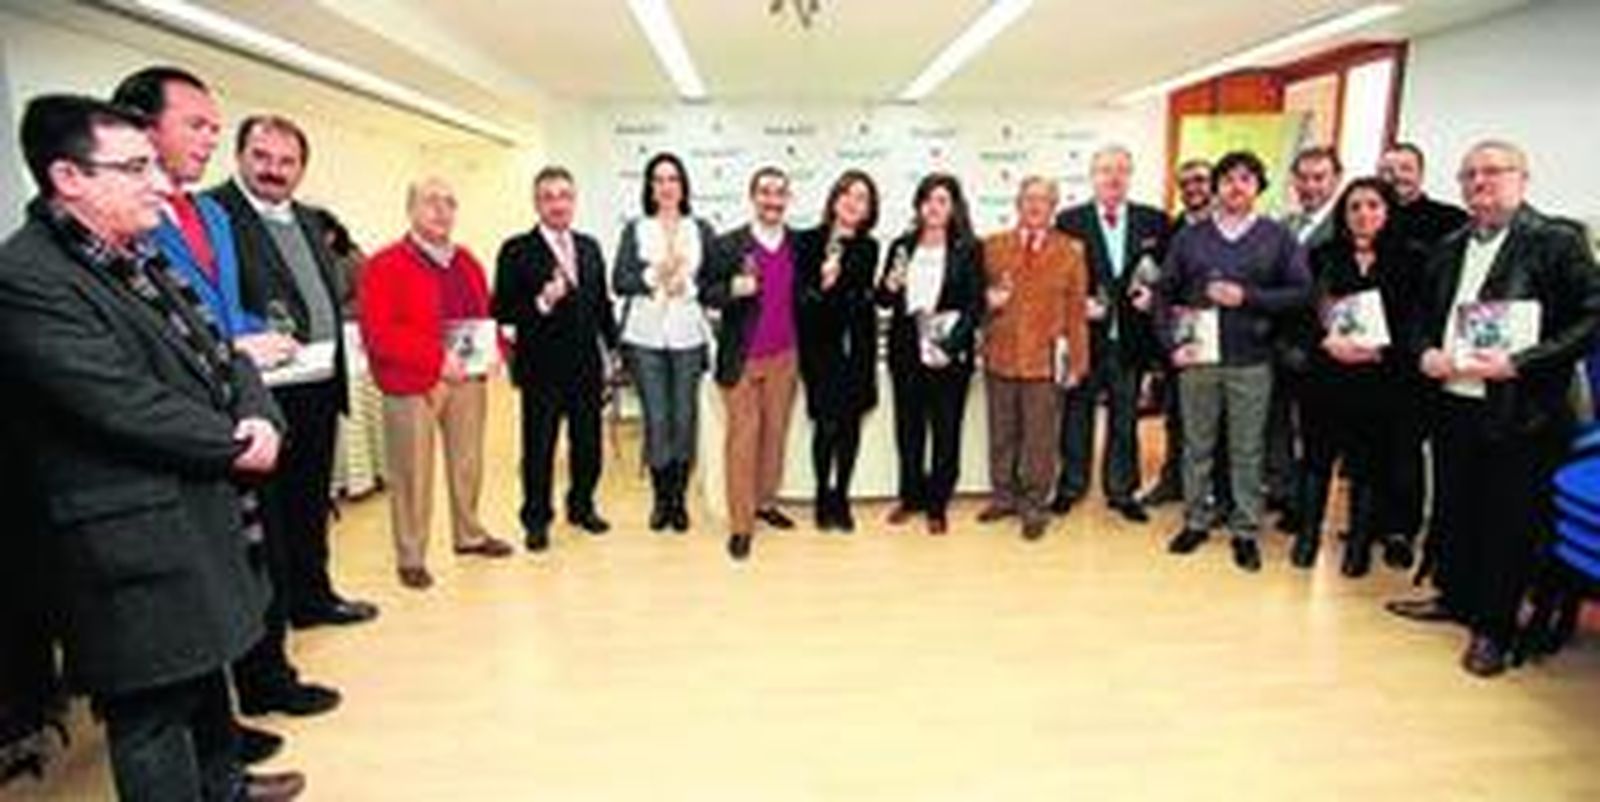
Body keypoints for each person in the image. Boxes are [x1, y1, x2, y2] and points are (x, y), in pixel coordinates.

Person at [0, 93, 304, 802]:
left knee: (202, 673)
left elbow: (221, 351)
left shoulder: (132, 254)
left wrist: (261, 417)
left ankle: (224, 783)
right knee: (153, 709)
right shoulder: (28, 279)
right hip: (122, 533)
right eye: (134, 167)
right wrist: (234, 442)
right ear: (68, 177)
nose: (155, 181)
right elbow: (117, 402)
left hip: (190, 505)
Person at [112, 64, 294, 770]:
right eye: (199, 124)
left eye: (216, 126)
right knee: (202, 591)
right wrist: (231, 351)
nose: (211, 138)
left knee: (246, 567)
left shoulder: (207, 213)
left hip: (237, 412)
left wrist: (248, 344)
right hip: (182, 439)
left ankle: (248, 702)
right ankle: (223, 735)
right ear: (143, 129)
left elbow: (218, 307)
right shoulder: (113, 237)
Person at [1387, 140, 1600, 677]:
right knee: (1456, 508)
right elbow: (1420, 317)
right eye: (1469, 175)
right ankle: (1454, 597)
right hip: (1455, 402)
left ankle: (1493, 629)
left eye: (1492, 172)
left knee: (1508, 521)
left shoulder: (1557, 241)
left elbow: (1591, 319)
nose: (1479, 183)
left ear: (1522, 178)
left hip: (1522, 408)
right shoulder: (1450, 245)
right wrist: (1424, 353)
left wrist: (1523, 363)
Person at [208, 115, 382, 718]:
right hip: (262, 395)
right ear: (240, 155)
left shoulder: (310, 220)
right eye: (262, 156)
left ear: (301, 167)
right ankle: (268, 640)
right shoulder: (216, 217)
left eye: (286, 160)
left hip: (316, 385)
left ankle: (314, 596)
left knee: (310, 504)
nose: (273, 168)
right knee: (268, 525)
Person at [1159, 151, 1311, 573]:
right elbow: (1163, 292)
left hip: (1251, 360)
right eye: (1227, 179)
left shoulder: (1278, 237)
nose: (1235, 186)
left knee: (1247, 450)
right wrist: (1171, 343)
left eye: (1245, 179)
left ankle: (1245, 529)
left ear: (1258, 187)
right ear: (1216, 187)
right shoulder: (1191, 237)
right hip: (1198, 359)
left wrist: (1249, 297)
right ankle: (1195, 520)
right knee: (1197, 447)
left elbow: (1301, 293)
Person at [358, 177, 512, 590]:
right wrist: (435, 359)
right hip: (412, 382)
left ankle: (469, 533)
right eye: (431, 202)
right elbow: (379, 332)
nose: (442, 211)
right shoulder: (384, 264)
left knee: (468, 461)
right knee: (412, 472)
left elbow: (484, 315)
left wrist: (496, 349)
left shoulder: (467, 261)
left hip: (467, 379)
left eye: (449, 203)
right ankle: (411, 555)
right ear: (410, 209)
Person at [1290, 178, 1426, 576]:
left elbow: (1418, 320)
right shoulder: (1322, 256)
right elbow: (1303, 315)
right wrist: (1324, 343)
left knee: (1368, 465)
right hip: (1327, 375)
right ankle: (1307, 537)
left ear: (1387, 212)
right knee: (1316, 459)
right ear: (1343, 214)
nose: (1363, 214)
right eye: (1354, 207)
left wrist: (1382, 349)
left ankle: (1359, 547)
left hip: (1380, 379)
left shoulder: (1411, 260)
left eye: (1372, 206)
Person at [494, 167, 618, 551]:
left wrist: (613, 349)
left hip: (585, 367)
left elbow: (601, 304)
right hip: (541, 369)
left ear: (574, 200)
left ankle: (581, 506)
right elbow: (501, 308)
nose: (557, 204)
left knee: (588, 445)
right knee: (540, 447)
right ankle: (536, 519)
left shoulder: (589, 246)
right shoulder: (516, 249)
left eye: (564, 195)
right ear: (537, 203)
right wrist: (542, 300)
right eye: (548, 196)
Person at [1054, 145, 1171, 522]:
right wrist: (1078, 305)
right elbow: (1058, 281)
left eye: (1121, 169)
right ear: (1093, 176)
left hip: (1131, 339)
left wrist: (1154, 295)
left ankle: (1122, 492)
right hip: (1085, 337)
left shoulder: (1153, 221)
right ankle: (1071, 486)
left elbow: (1170, 275)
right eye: (1105, 170)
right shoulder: (1069, 221)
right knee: (1077, 415)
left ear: (1130, 174)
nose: (1113, 177)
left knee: (1124, 417)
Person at [699, 167, 803, 561]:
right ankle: (741, 526)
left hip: (786, 356)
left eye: (779, 192)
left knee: (774, 435)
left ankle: (765, 503)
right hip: (741, 358)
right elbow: (705, 292)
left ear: (787, 198)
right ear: (752, 196)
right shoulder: (728, 245)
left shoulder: (798, 244)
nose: (772, 199)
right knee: (743, 440)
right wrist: (731, 289)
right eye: (764, 192)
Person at [980, 177, 1090, 539]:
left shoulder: (1071, 251)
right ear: (1017, 203)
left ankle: (1034, 505)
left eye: (1043, 200)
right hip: (1001, 355)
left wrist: (1078, 361)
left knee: (1040, 439)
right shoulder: (992, 246)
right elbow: (975, 300)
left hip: (1045, 360)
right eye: (1028, 198)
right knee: (1002, 432)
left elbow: (1076, 311)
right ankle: (1003, 497)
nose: (1035, 206)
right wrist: (986, 301)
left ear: (1054, 206)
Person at [612, 153, 715, 533]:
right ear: (650, 187)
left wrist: (685, 285)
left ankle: (679, 500)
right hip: (645, 338)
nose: (666, 186)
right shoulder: (636, 228)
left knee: (684, 419)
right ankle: (660, 502)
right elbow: (620, 279)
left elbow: (714, 281)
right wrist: (655, 274)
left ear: (683, 186)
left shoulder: (700, 228)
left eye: (673, 179)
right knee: (657, 419)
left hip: (688, 336)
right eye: (658, 179)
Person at [878, 173, 986, 535]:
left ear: (953, 207)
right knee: (909, 428)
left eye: (942, 200)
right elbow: (883, 299)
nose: (933, 207)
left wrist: (950, 345)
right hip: (906, 348)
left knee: (945, 429)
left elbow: (975, 306)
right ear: (918, 206)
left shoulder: (968, 248)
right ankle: (911, 497)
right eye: (927, 200)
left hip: (948, 351)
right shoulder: (902, 245)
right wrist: (890, 286)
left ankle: (937, 503)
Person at [795, 170, 882, 533]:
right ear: (834, 198)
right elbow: (800, 299)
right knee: (826, 425)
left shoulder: (869, 247)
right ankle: (821, 496)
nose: (852, 202)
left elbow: (861, 297)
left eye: (861, 198)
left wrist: (841, 288)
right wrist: (822, 285)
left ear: (868, 210)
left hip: (857, 348)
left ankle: (841, 496)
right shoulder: (807, 241)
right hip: (820, 348)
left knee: (850, 425)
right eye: (847, 193)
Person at [1264, 145, 1345, 531]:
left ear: (1335, 180)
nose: (1310, 186)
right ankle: (1281, 491)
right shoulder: (1285, 226)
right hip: (1278, 342)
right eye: (1304, 178)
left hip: (1320, 349)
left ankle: (1305, 508)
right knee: (1277, 422)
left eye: (1319, 178)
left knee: (1312, 432)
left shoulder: (1345, 229)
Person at [1144, 157, 1222, 509]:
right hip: (1184, 336)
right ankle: (1172, 481)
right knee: (1178, 415)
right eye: (1186, 182)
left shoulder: (1233, 226)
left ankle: (1216, 492)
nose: (1193, 188)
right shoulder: (1170, 229)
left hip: (1228, 335)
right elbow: (1158, 279)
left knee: (1222, 419)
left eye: (1201, 180)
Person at [1379, 142, 1471, 252]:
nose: (1398, 175)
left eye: (1406, 168)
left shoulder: (1452, 219)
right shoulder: (1367, 219)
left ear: (1421, 174)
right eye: (1388, 171)